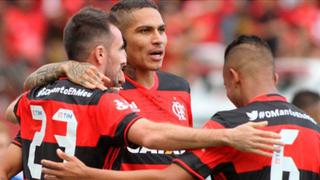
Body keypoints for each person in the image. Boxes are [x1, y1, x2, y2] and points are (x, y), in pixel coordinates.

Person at [0, 7, 282, 180]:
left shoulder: (179, 87)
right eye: (144, 31)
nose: (158, 38)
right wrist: (227, 135)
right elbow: (151, 135)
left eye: (161, 29)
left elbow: (19, 107)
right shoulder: (103, 93)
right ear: (114, 42)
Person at [42, 35, 320, 180]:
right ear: (275, 78)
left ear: (233, 77)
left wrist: (87, 176)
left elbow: (169, 177)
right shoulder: (313, 129)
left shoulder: (231, 124)